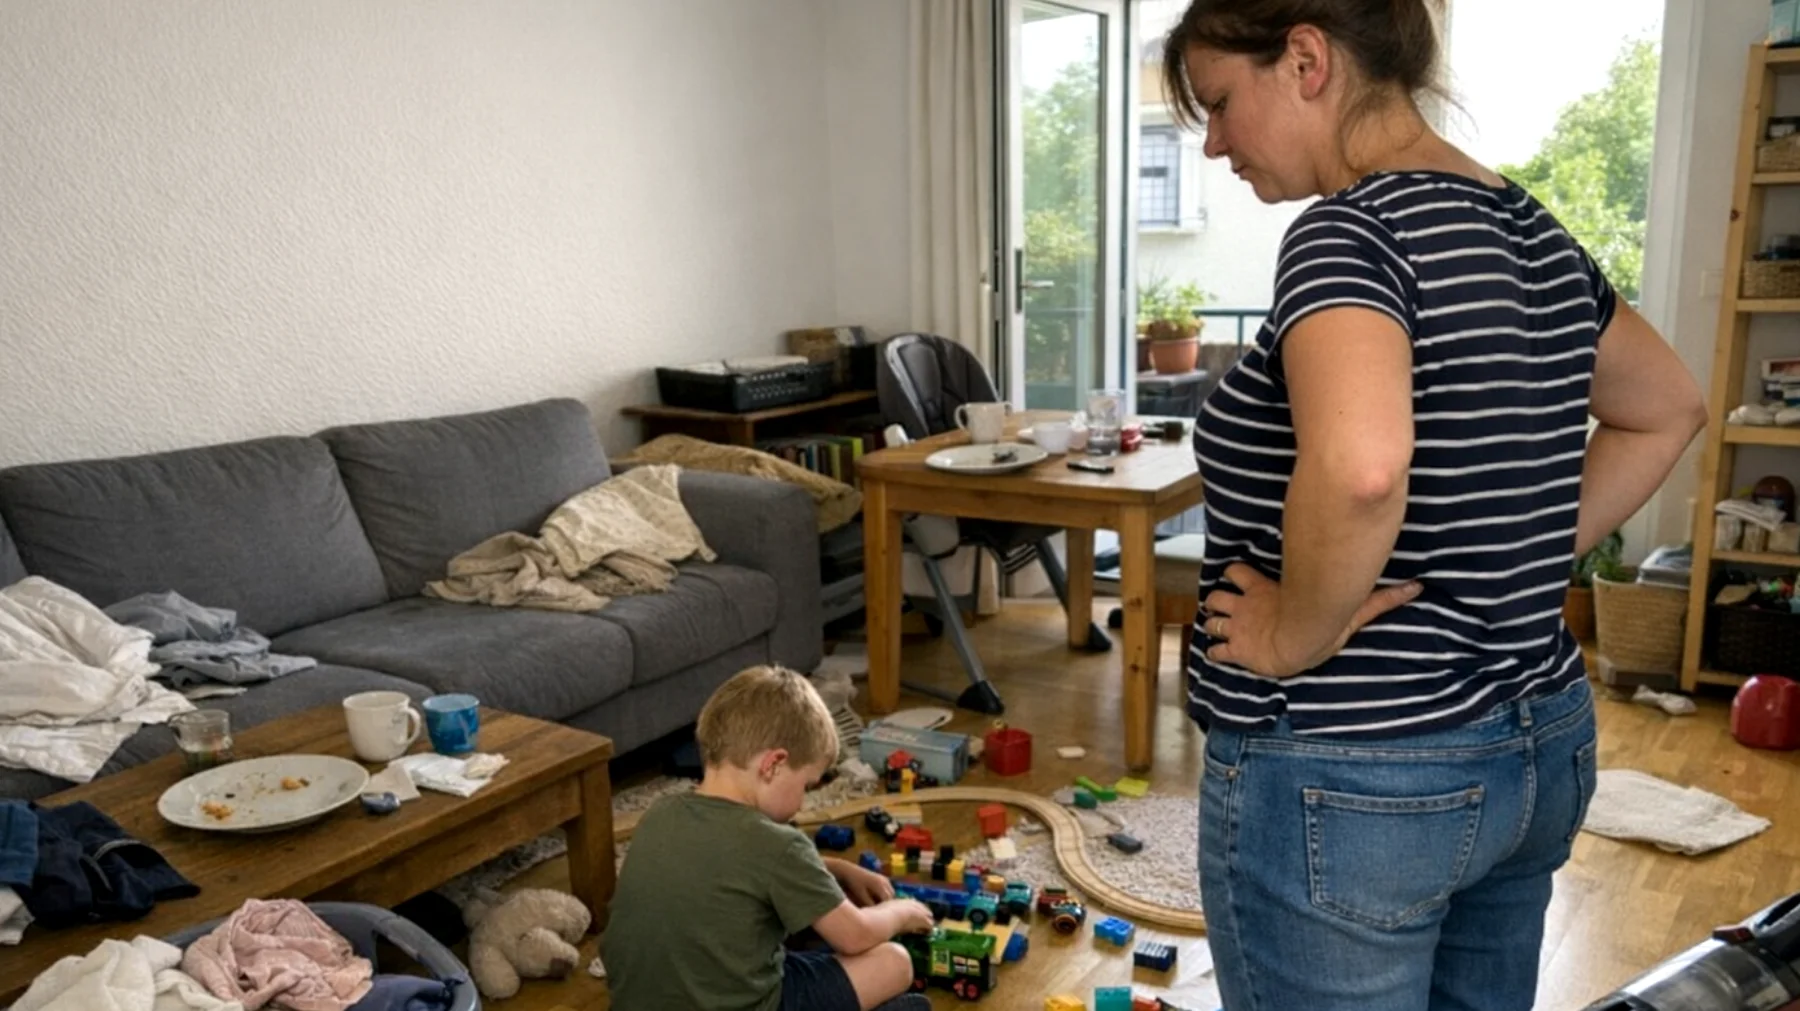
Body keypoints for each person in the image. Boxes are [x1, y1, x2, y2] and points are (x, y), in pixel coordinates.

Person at [1163, 2, 1707, 1009]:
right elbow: (1668, 408)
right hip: (1535, 739)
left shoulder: (1349, 234)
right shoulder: (1529, 229)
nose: (1216, 142)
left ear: (1307, 59)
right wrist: (1525, 552)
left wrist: (1292, 633)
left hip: (1355, 765)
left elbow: (1363, 466)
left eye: (1224, 102)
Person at [601, 665, 934, 1011]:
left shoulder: (661, 813)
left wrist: (836, 868)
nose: (803, 800)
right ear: (773, 764)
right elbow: (857, 935)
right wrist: (902, 912)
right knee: (895, 962)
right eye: (806, 784)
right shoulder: (779, 845)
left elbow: (729, 865)